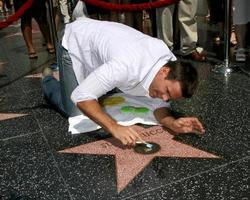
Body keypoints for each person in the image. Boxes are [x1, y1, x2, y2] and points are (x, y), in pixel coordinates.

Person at [42, 16, 205, 146]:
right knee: (76, 111)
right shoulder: (126, 65)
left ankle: (100, 81)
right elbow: (81, 96)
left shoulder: (170, 63)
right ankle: (48, 80)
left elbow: (159, 106)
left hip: (105, 55)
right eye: (167, 92)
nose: (164, 99)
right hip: (74, 42)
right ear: (164, 71)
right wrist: (115, 127)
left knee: (101, 93)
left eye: (169, 98)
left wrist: (172, 123)